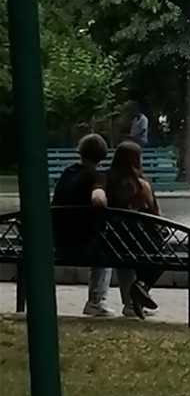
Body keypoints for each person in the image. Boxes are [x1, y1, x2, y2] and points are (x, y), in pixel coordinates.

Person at [51, 133, 113, 317]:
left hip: (58, 242)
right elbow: (98, 199)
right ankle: (96, 301)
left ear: (81, 151)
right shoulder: (96, 176)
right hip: (81, 246)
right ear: (102, 156)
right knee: (107, 252)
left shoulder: (67, 173)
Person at [104, 140, 161, 319]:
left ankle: (132, 300)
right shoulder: (140, 185)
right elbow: (155, 215)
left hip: (111, 240)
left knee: (129, 255)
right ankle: (140, 287)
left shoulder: (105, 181)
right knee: (160, 254)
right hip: (136, 240)